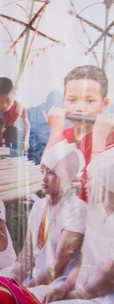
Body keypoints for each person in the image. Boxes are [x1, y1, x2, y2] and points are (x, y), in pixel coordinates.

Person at [41, 150, 114, 304]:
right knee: (33, 299)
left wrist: (73, 296)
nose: (86, 185)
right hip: (85, 295)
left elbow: (108, 279)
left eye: (92, 181)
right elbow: (82, 263)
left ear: (108, 185)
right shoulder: (96, 214)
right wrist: (65, 286)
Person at [8, 141, 87, 293]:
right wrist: (11, 279)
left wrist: (22, 289)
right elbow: (27, 255)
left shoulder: (78, 210)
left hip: (58, 284)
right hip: (34, 279)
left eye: (51, 173)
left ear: (68, 176)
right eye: (42, 171)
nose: (44, 178)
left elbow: (57, 268)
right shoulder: (39, 206)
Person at [44, 65, 114, 202]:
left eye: (90, 101)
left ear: (103, 104)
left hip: (94, 219)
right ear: (64, 101)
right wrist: (55, 132)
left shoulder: (111, 140)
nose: (80, 108)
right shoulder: (62, 135)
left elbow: (97, 193)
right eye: (72, 100)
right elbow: (45, 180)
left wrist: (99, 140)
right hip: (63, 217)